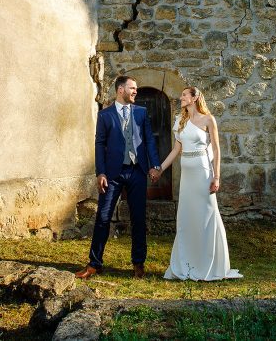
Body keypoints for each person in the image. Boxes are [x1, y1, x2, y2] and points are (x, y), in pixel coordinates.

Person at [76, 75, 161, 279]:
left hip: (137, 171)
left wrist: (155, 165)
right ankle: (94, 264)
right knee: (103, 218)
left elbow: (149, 140)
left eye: (136, 89)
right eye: (132, 88)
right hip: (112, 174)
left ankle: (138, 264)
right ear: (120, 90)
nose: (136, 92)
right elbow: (99, 144)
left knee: (138, 219)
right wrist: (101, 172)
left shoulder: (141, 113)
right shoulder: (105, 115)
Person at [159, 86, 242, 281]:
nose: (181, 98)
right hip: (186, 176)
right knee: (187, 217)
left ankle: (211, 264)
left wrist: (217, 177)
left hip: (203, 173)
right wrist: (160, 169)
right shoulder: (180, 121)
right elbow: (175, 150)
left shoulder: (208, 120)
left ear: (195, 98)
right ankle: (187, 262)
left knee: (207, 214)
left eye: (184, 95)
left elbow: (216, 150)